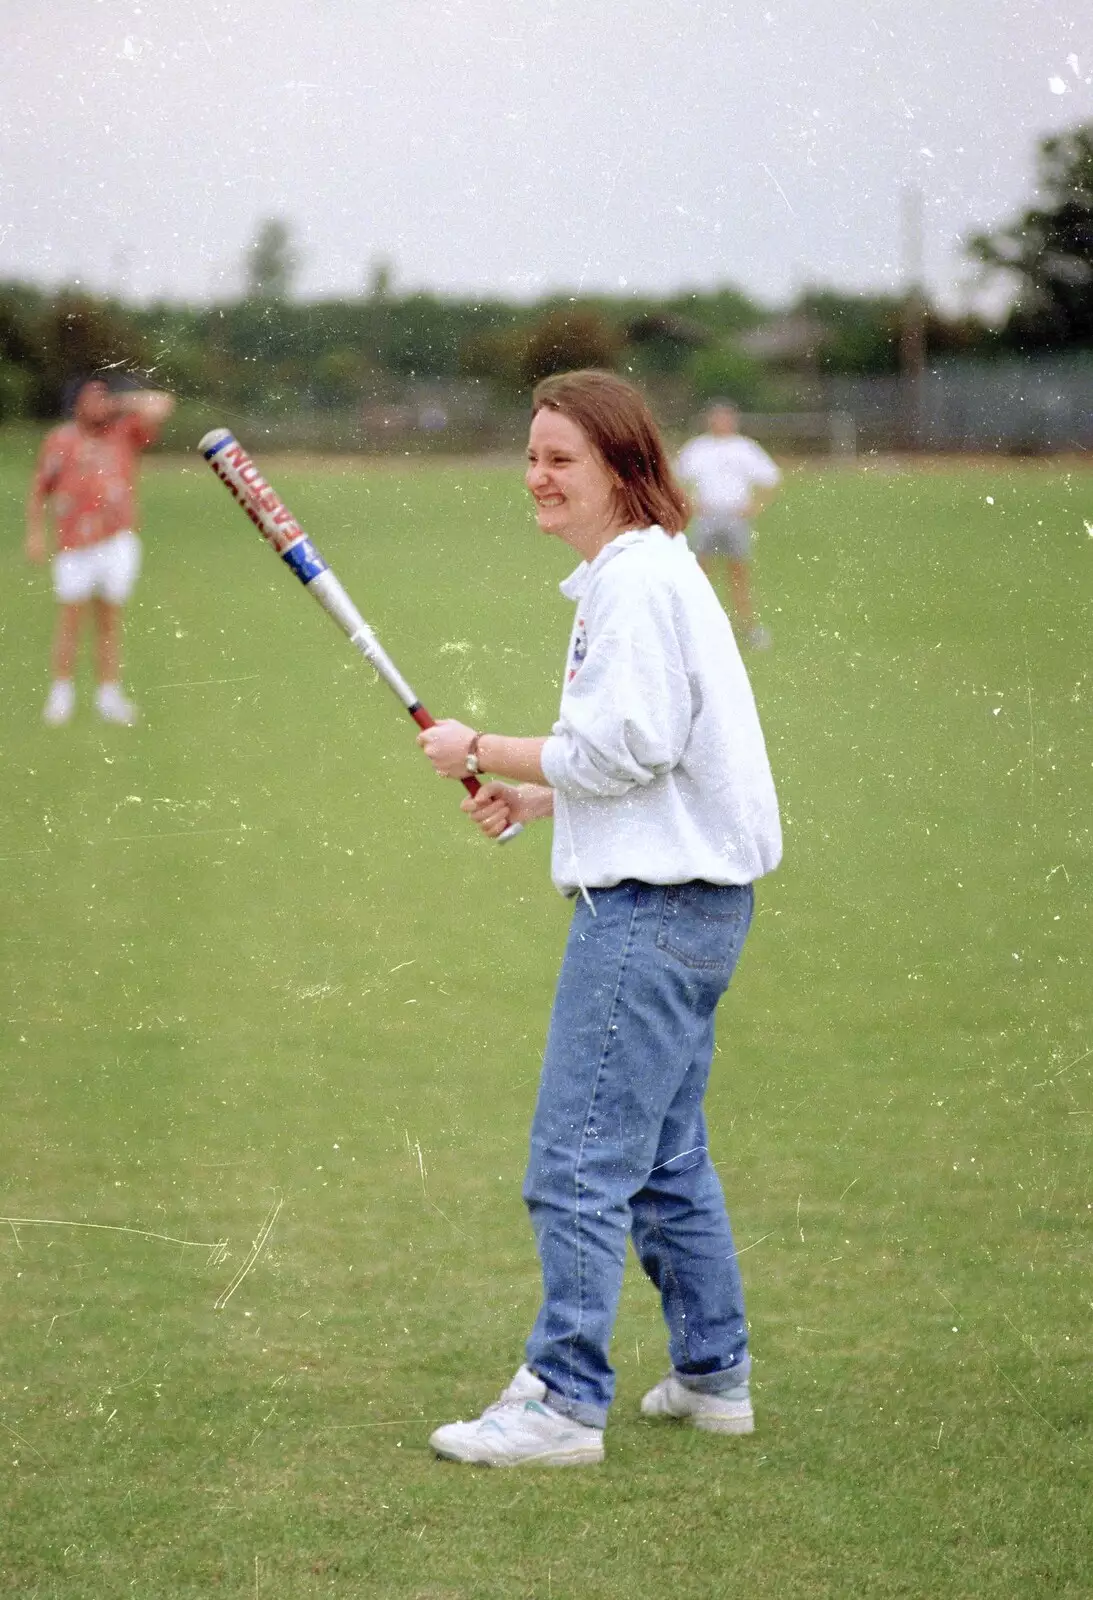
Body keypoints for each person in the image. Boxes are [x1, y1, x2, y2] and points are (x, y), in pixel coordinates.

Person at [417, 370, 782, 1467]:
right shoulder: (651, 575)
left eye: (560, 459)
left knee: (574, 1159)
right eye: (531, 455)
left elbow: (627, 744)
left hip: (652, 912)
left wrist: (481, 747)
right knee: (666, 1158)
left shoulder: (634, 585)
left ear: (624, 469)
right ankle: (714, 1375)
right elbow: (643, 753)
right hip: (699, 905)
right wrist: (538, 793)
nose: (537, 476)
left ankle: (564, 1404)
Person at [25, 376, 175, 725]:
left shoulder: (124, 432)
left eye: (104, 398)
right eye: (93, 399)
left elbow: (162, 405)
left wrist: (120, 403)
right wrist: (35, 534)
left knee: (109, 620)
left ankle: (108, 694)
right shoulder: (60, 440)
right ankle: (61, 694)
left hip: (116, 538)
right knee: (70, 619)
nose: (101, 404)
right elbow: (39, 489)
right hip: (75, 541)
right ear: (77, 403)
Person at [675, 400, 781, 649]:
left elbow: (771, 478)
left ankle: (748, 626)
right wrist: (690, 502)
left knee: (738, 573)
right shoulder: (698, 448)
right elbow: (675, 477)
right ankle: (696, 627)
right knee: (700, 573)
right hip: (706, 516)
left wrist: (756, 506)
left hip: (735, 517)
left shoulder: (745, 448)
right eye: (717, 417)